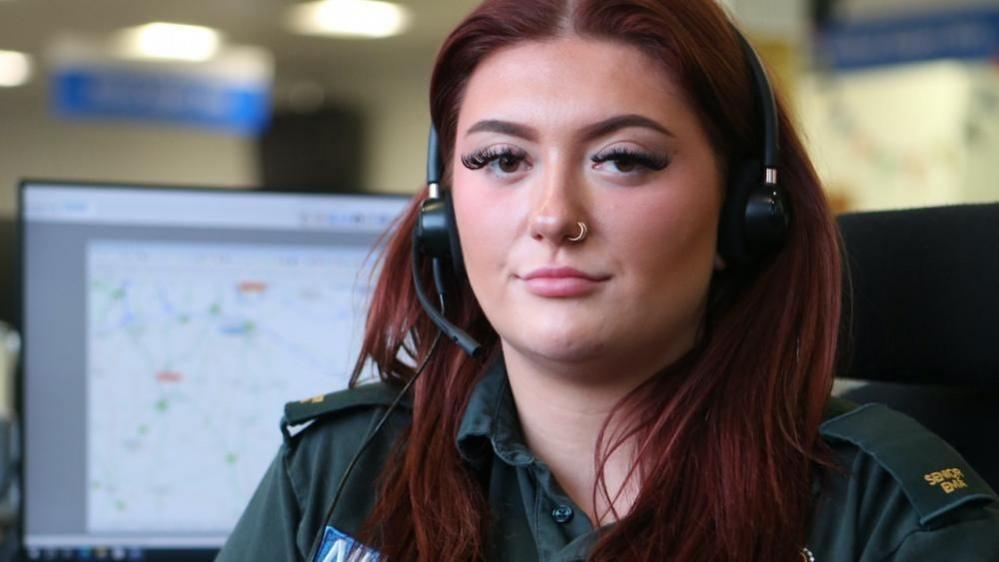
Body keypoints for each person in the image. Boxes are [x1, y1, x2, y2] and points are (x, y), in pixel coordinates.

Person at [216, 0, 999, 561]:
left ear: (743, 213)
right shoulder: (339, 472)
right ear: (441, 215)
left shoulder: (884, 514)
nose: (553, 216)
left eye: (622, 158)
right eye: (500, 159)